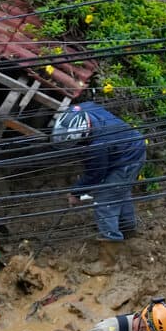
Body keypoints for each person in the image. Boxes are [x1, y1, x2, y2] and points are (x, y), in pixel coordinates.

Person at [52, 101, 146, 242]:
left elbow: (95, 175)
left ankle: (112, 242)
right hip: (131, 147)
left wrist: (76, 192)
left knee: (105, 202)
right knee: (119, 191)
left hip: (128, 161)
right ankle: (128, 229)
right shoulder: (80, 109)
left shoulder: (97, 147)